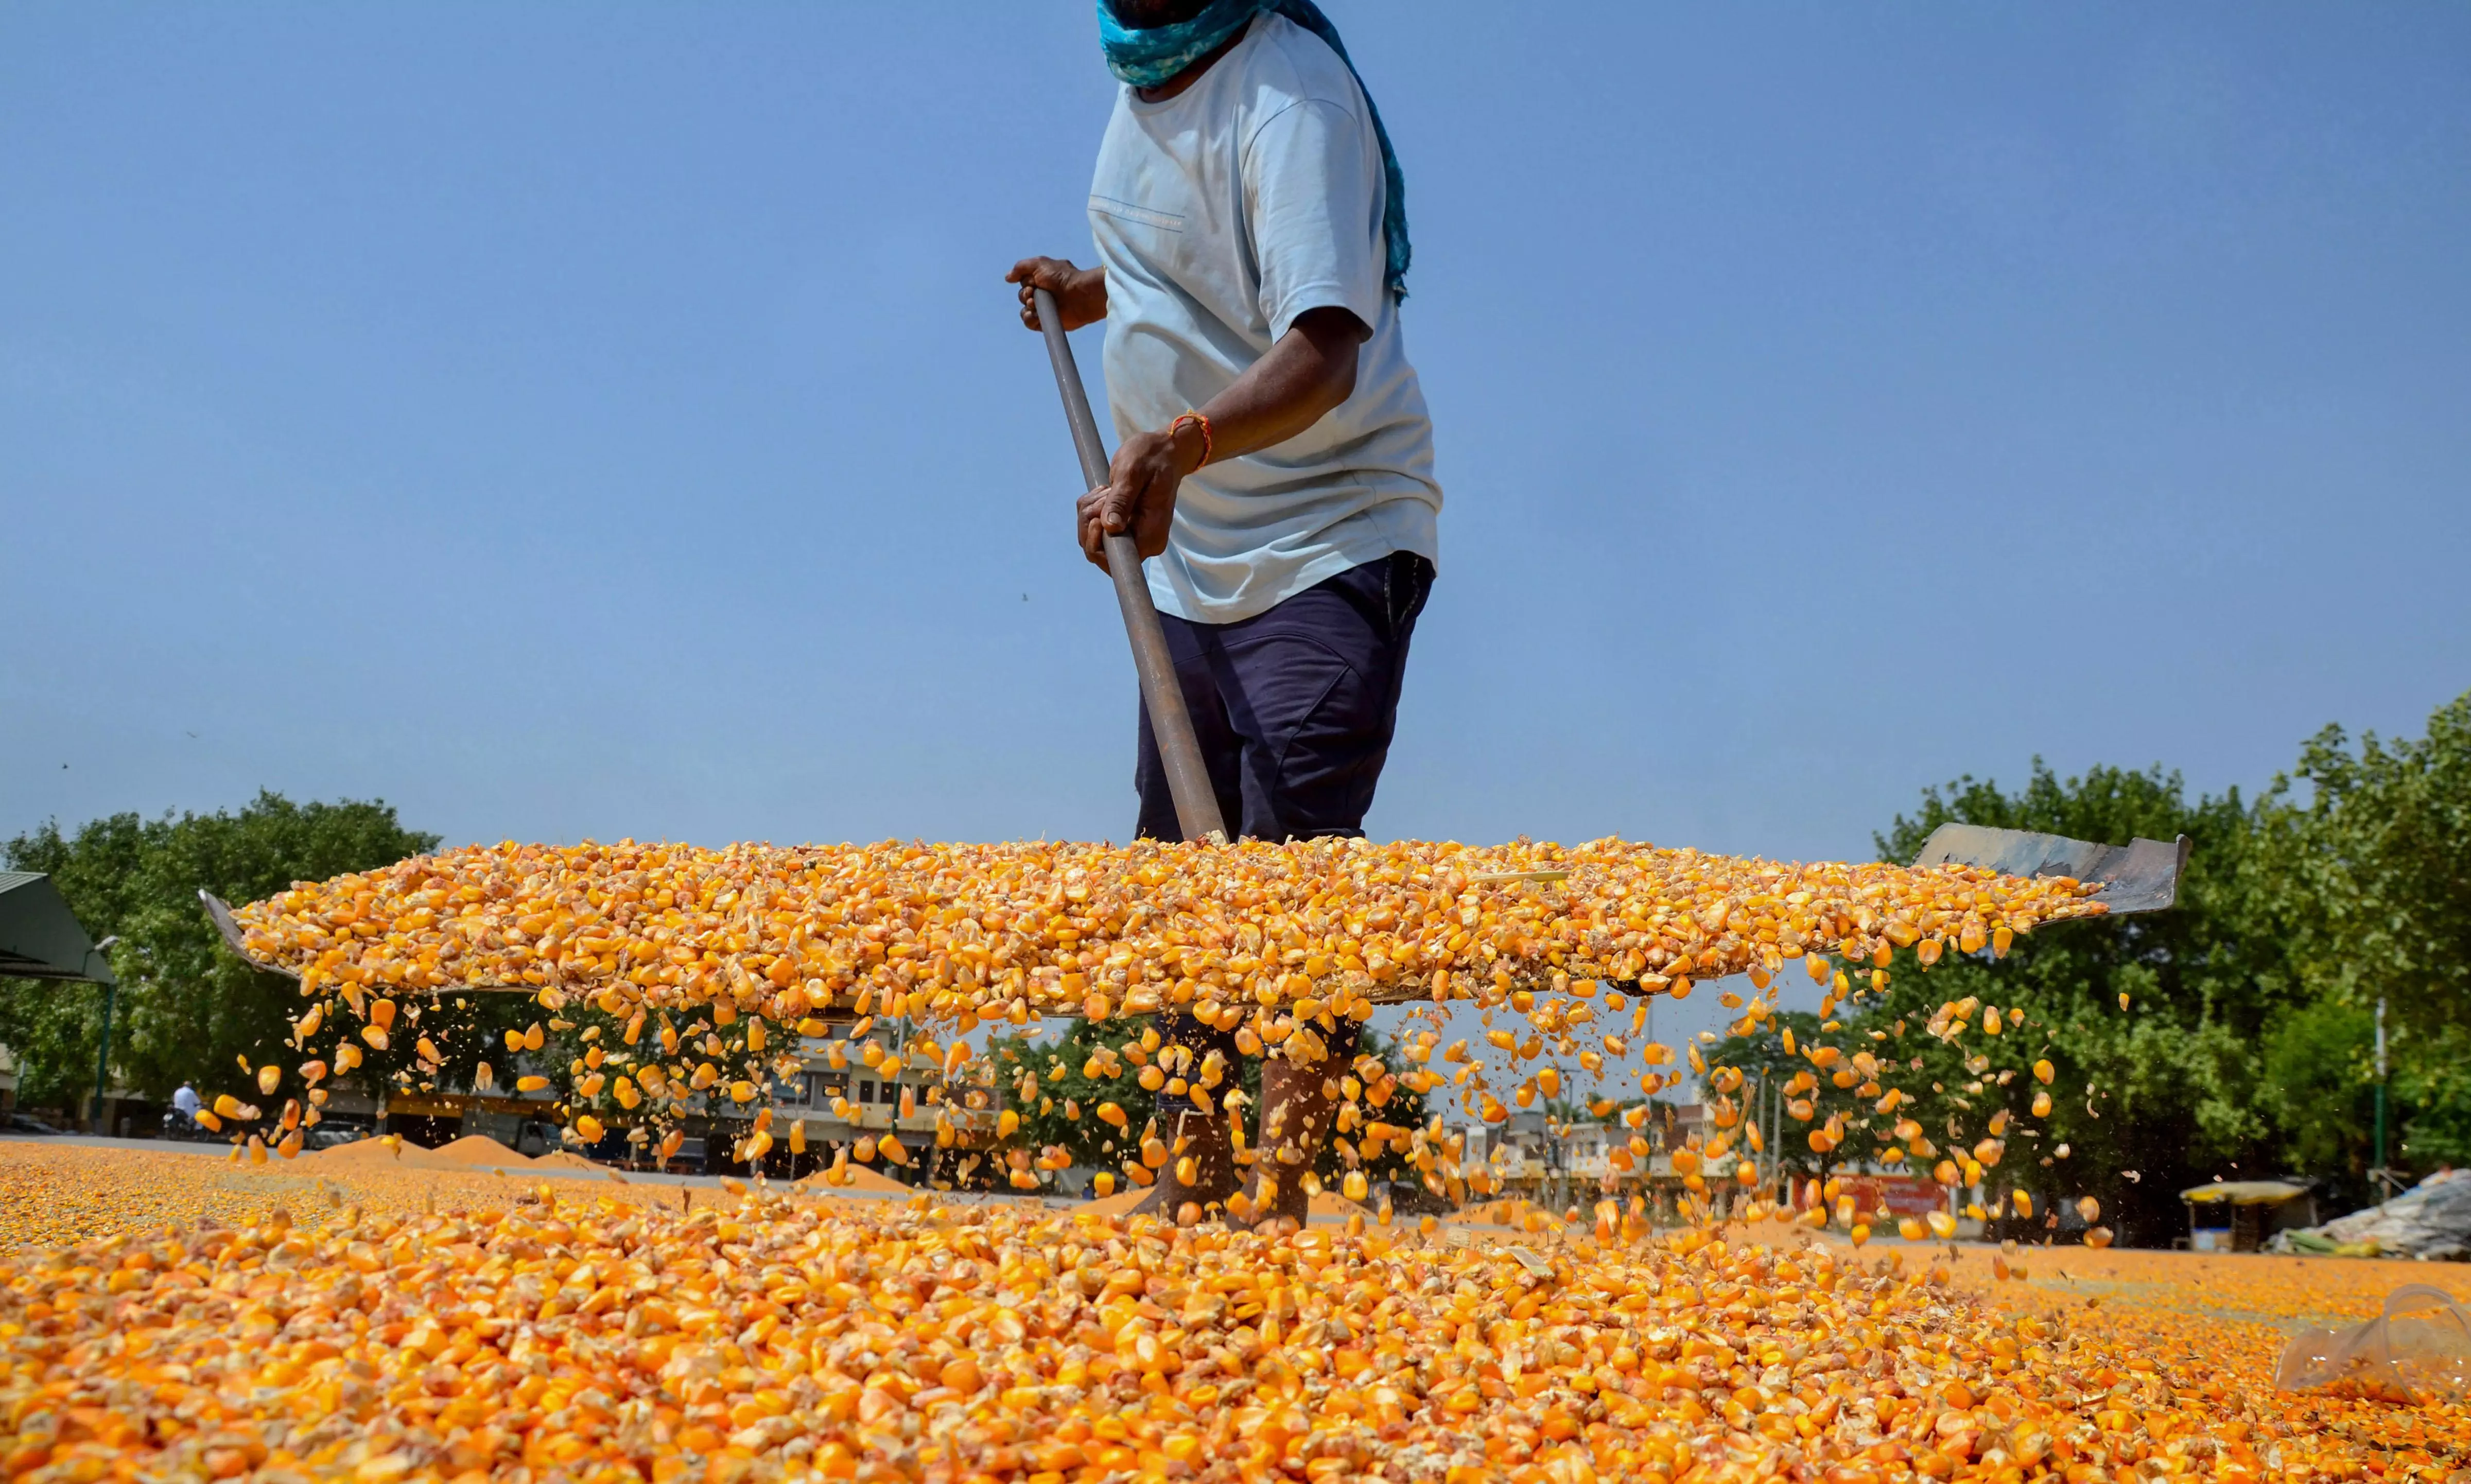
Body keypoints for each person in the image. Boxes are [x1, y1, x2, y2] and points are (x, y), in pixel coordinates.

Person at [1007, 0, 1439, 1229]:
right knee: (1179, 872)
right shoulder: (1143, 76)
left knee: (1288, 863)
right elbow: (1190, 253)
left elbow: (1324, 340)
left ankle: (1282, 1189)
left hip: (1326, 529)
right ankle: (1185, 1176)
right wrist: (1090, 292)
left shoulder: (1291, 94)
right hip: (1190, 547)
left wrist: (1179, 445)